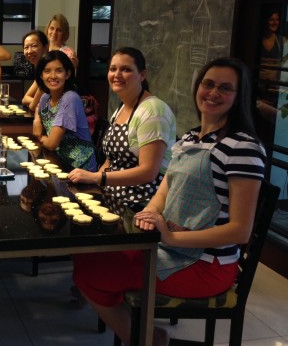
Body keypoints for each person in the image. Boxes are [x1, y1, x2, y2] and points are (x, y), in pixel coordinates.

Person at [72, 57, 266, 346]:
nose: (213, 93)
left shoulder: (244, 148)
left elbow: (240, 230)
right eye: (208, 84)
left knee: (92, 272)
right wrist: (149, 213)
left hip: (206, 264)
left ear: (239, 98)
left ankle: (144, 339)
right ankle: (147, 336)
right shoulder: (189, 138)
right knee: (87, 259)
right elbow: (164, 189)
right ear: (197, 87)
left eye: (225, 88)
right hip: (168, 248)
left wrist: (172, 237)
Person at [68, 47, 176, 229]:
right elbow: (111, 159)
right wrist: (97, 189)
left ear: (142, 75)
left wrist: (96, 178)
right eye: (113, 69)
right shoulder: (121, 108)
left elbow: (148, 171)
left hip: (140, 204)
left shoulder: (153, 111)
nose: (117, 74)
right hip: (113, 196)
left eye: (126, 69)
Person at [33, 50, 97, 171]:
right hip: (60, 161)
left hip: (80, 168)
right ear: (41, 75)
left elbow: (51, 144)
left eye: (59, 70)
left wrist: (40, 136)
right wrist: (37, 120)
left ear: (67, 74)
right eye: (47, 71)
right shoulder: (45, 98)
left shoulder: (70, 98)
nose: (52, 76)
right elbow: (37, 112)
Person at [21, 30, 49, 112]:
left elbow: (32, 106)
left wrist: (36, 102)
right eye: (26, 47)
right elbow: (24, 99)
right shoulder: (40, 70)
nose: (29, 51)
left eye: (34, 46)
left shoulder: (47, 71)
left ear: (45, 48)